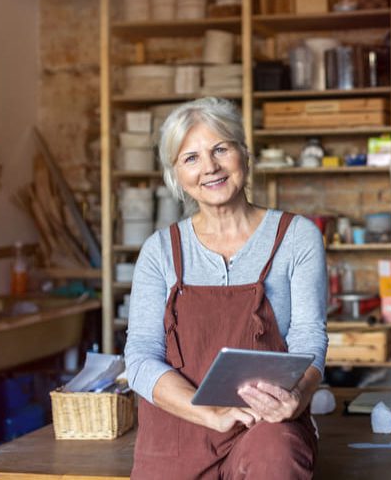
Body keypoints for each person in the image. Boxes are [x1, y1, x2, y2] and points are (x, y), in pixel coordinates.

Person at [125, 97, 328, 479]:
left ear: (244, 155)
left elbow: (309, 337)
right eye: (191, 158)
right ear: (176, 176)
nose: (210, 167)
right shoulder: (159, 251)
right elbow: (139, 358)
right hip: (179, 427)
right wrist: (207, 412)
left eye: (221, 149)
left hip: (264, 422)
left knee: (276, 458)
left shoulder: (297, 237)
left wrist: (297, 397)